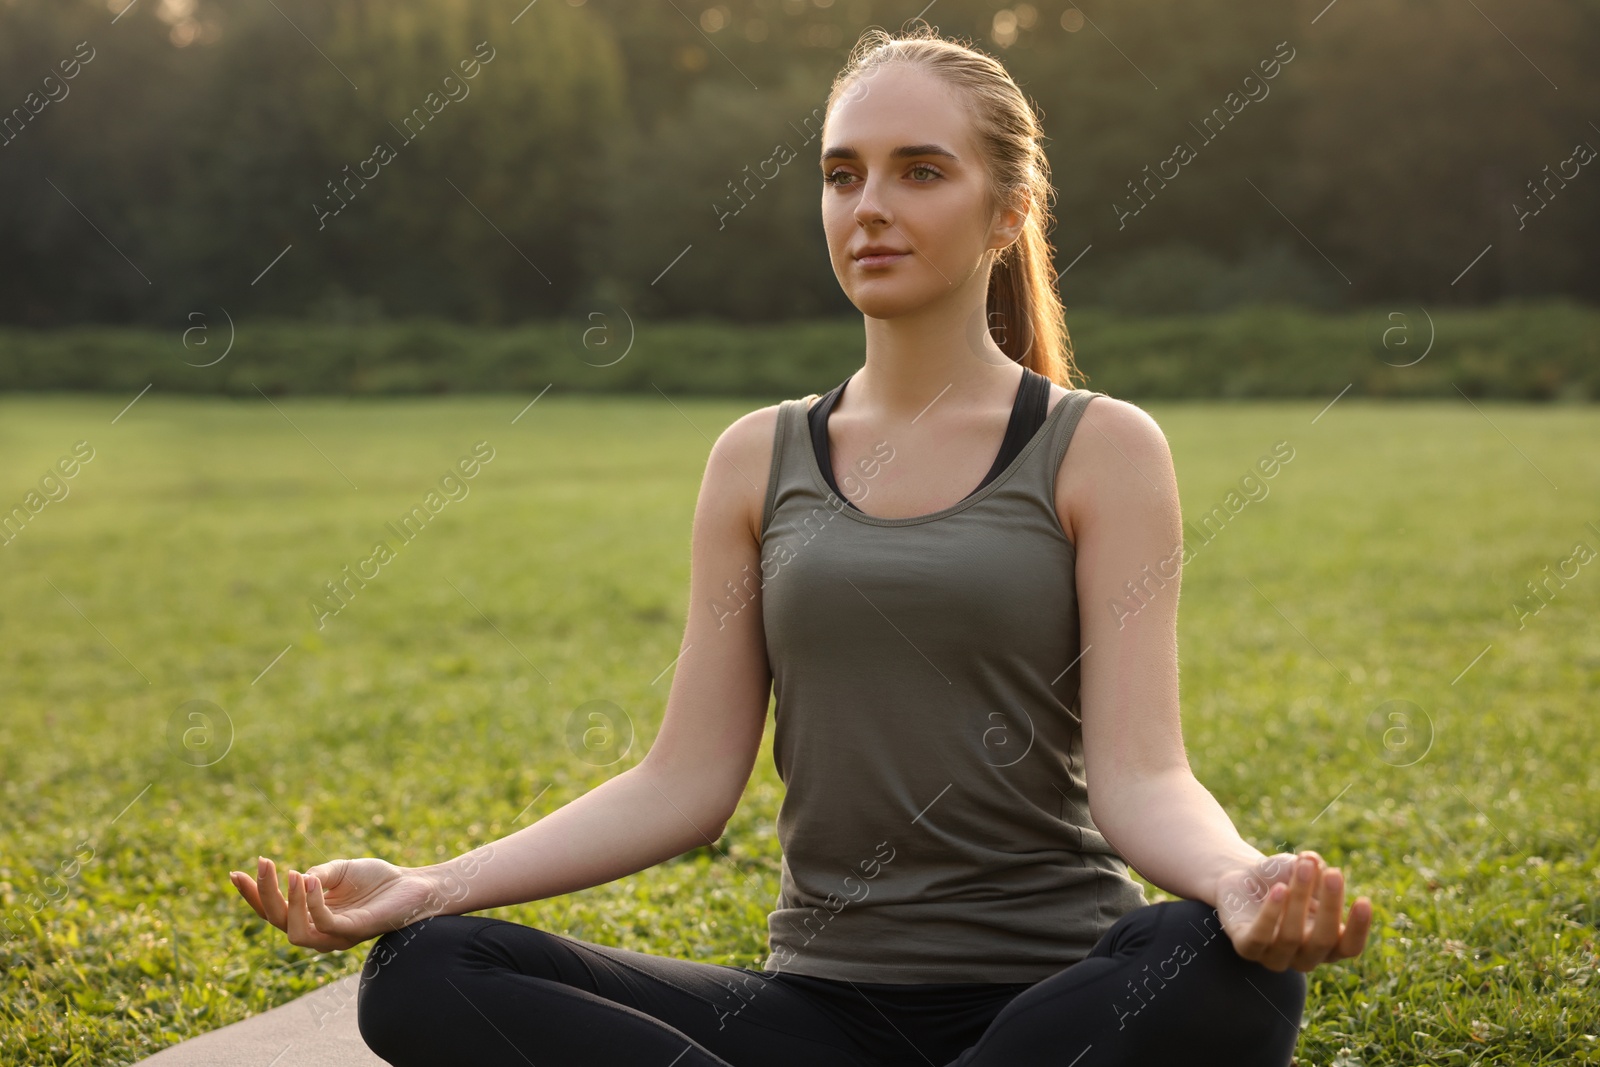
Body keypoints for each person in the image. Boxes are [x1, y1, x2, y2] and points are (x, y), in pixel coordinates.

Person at [229, 24, 1372, 1067]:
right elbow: (681, 780)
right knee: (428, 970)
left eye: (920, 170)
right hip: (816, 1016)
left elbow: (1142, 776)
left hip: (1058, 1002)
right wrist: (429, 883)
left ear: (1009, 209)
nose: (868, 204)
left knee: (1209, 964)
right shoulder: (755, 457)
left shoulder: (1099, 448)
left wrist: (1234, 879)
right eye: (841, 173)